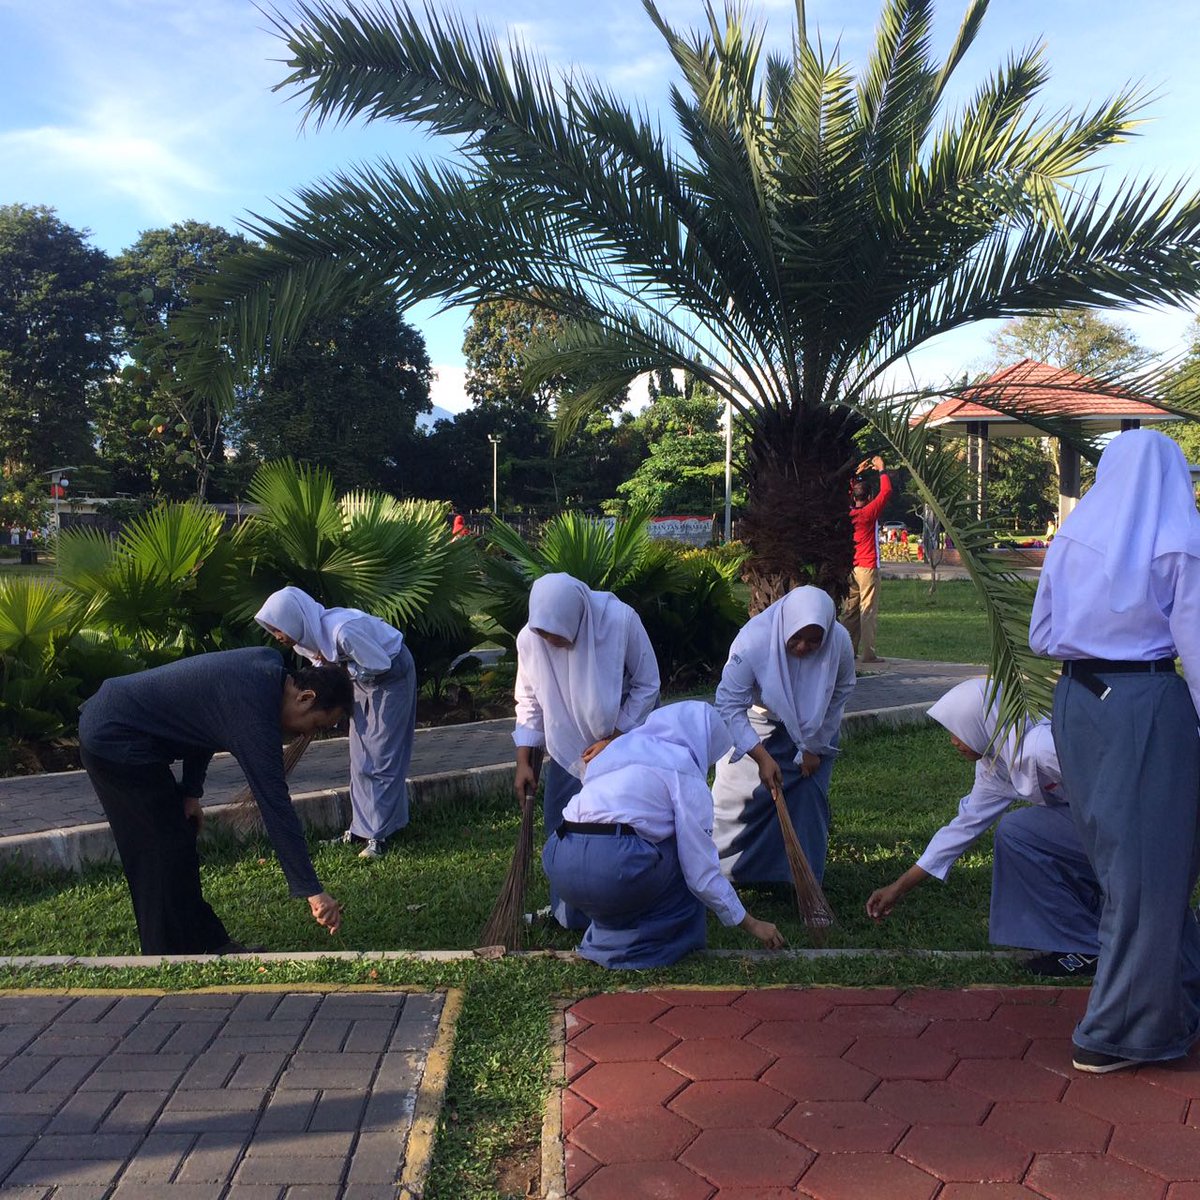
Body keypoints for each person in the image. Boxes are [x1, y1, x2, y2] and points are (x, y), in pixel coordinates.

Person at [1030, 428, 1200, 1074]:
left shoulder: (1074, 536)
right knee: (1151, 871)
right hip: (1144, 703)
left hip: (1076, 701)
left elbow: (1043, 633)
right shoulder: (1180, 540)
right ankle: (1118, 1031)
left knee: (1121, 862)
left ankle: (1175, 995)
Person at [78, 647, 352, 956]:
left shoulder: (265, 668)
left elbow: (203, 720)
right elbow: (275, 806)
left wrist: (191, 791)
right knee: (156, 854)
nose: (307, 735)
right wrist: (312, 891)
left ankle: (209, 944)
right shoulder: (255, 710)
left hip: (122, 726)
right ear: (306, 697)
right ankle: (163, 957)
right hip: (113, 737)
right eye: (315, 725)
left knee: (177, 845)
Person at [865, 677, 1101, 977]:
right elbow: (963, 827)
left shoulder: (1043, 746)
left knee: (1020, 830)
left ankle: (1098, 933)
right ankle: (1083, 941)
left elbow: (1111, 785)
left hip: (1121, 826)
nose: (953, 741)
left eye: (959, 730)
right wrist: (899, 887)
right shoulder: (996, 762)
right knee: (1020, 834)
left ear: (982, 723)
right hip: (1090, 825)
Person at [543, 702, 786, 967]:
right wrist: (751, 924)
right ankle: (652, 946)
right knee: (684, 853)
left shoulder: (616, 751)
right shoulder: (683, 771)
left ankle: (607, 940)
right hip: (614, 869)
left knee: (647, 838)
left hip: (560, 859)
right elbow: (700, 873)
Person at [513, 572, 660, 928]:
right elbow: (529, 699)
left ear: (577, 617)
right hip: (567, 753)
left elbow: (647, 683)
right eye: (543, 634)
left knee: (619, 829)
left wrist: (616, 735)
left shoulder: (621, 621)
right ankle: (566, 913)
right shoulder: (530, 639)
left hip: (621, 748)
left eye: (556, 634)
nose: (550, 641)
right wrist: (523, 762)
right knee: (563, 829)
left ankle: (618, 910)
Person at [255, 586, 417, 860]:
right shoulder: (306, 638)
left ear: (293, 618)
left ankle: (380, 834)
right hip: (362, 677)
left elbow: (379, 664)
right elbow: (329, 670)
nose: (278, 636)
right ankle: (360, 828)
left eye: (278, 628)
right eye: (274, 631)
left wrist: (339, 668)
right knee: (360, 754)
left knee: (381, 754)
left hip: (390, 676)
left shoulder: (342, 631)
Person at [712, 585, 855, 885]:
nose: (803, 647)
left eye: (814, 642)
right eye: (797, 638)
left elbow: (840, 692)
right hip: (756, 721)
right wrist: (760, 755)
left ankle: (801, 879)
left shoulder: (839, 641)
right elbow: (728, 705)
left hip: (814, 730)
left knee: (806, 800)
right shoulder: (753, 640)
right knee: (736, 803)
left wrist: (815, 747)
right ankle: (727, 874)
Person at [843, 455, 892, 663]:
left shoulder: (849, 512)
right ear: (869, 497)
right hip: (868, 566)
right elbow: (887, 491)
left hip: (851, 567)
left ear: (854, 498)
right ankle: (869, 654)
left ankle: (846, 650)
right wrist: (881, 469)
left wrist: (856, 474)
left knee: (850, 611)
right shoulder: (869, 513)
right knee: (867, 611)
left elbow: (846, 490)